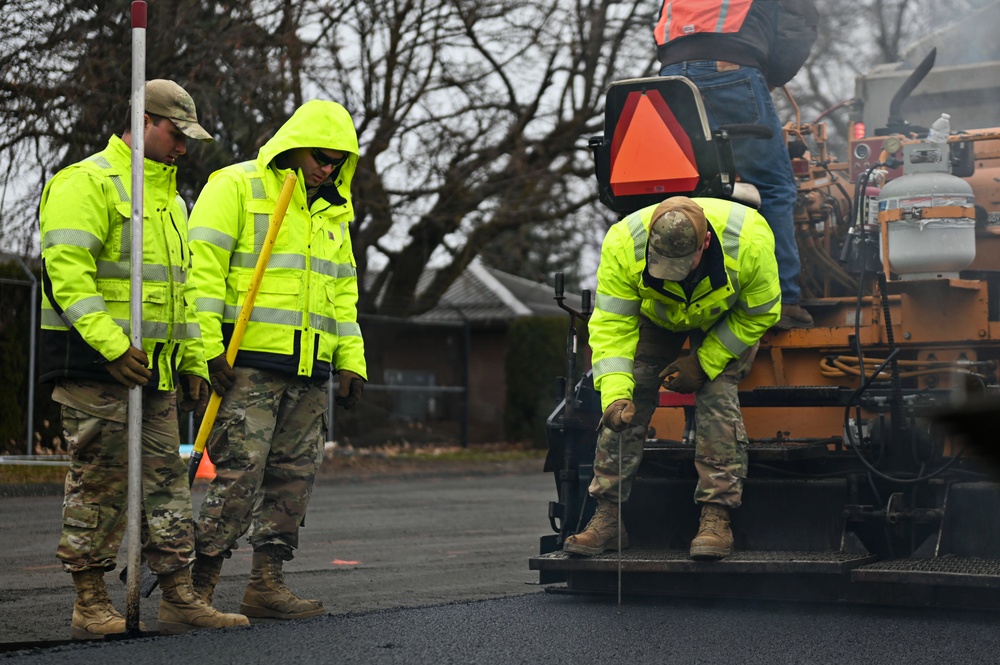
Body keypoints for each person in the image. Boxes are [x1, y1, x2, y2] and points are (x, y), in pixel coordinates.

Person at [39, 79, 250, 638]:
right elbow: (68, 276)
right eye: (175, 134)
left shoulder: (171, 200)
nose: (183, 147)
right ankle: (90, 603)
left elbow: (178, 294)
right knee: (100, 483)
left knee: (168, 485)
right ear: (145, 121)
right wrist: (110, 348)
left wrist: (193, 362)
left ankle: (178, 597)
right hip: (98, 370)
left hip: (155, 372)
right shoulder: (86, 183)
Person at [186, 99, 367, 620]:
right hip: (246, 366)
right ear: (295, 144)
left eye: (337, 161)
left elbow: (342, 296)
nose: (326, 168)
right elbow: (200, 275)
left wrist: (352, 360)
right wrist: (207, 350)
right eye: (320, 156)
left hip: (309, 370)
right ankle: (198, 587)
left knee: (293, 478)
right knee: (239, 476)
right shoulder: (236, 186)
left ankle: (266, 583)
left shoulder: (334, 214)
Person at [563, 196, 780, 560]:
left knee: (716, 392)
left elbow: (761, 313)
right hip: (658, 318)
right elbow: (612, 327)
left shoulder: (751, 241)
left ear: (704, 244)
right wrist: (616, 395)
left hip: (723, 321)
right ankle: (608, 518)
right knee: (629, 393)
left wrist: (705, 361)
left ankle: (716, 517)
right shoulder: (622, 244)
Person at [654, 0, 818, 329]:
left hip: (671, 75)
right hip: (730, 70)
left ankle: (689, 292)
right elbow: (797, 25)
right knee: (773, 186)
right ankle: (781, 300)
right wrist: (769, 74)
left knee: (695, 186)